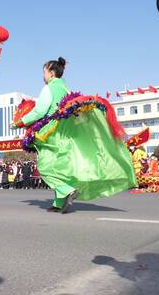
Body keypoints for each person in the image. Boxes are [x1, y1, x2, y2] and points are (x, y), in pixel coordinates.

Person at [13, 57, 136, 213]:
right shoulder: (66, 89)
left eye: (44, 72)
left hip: (52, 132)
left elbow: (39, 111)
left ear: (51, 73)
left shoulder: (48, 88)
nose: (43, 76)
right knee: (60, 167)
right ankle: (58, 203)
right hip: (65, 132)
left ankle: (67, 190)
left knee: (46, 167)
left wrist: (20, 122)